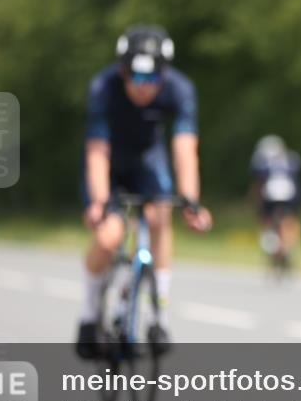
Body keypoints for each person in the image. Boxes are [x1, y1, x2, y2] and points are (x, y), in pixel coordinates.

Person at [76, 25, 212, 359]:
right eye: (135, 77)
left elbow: (185, 149)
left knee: (159, 217)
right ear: (123, 71)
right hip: (109, 164)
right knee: (109, 236)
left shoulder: (180, 89)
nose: (143, 86)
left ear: (163, 74)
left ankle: (158, 317)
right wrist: (99, 202)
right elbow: (97, 151)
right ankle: (89, 316)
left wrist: (191, 201)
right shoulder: (103, 86)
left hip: (147, 161)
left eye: (151, 78)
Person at [250, 135, 301, 264]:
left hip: (270, 195)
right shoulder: (291, 158)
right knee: (290, 220)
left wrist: (254, 199)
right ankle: (288, 246)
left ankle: (270, 245)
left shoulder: (262, 161)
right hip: (290, 194)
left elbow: (259, 183)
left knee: (265, 220)